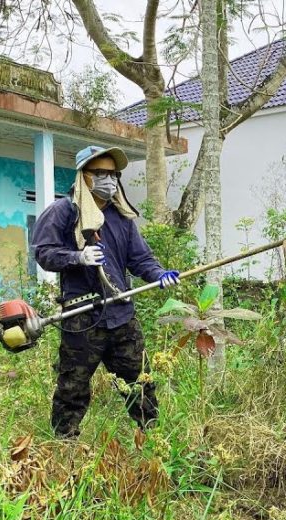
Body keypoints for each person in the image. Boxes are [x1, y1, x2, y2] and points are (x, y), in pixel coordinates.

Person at [30, 145, 180, 440]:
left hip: (122, 316)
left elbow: (141, 259)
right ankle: (65, 445)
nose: (109, 180)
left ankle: (151, 440)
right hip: (82, 318)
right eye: (101, 173)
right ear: (83, 176)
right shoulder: (62, 212)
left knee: (140, 383)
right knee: (72, 387)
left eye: (113, 174)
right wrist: (77, 257)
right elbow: (44, 253)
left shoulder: (121, 217)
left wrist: (159, 274)